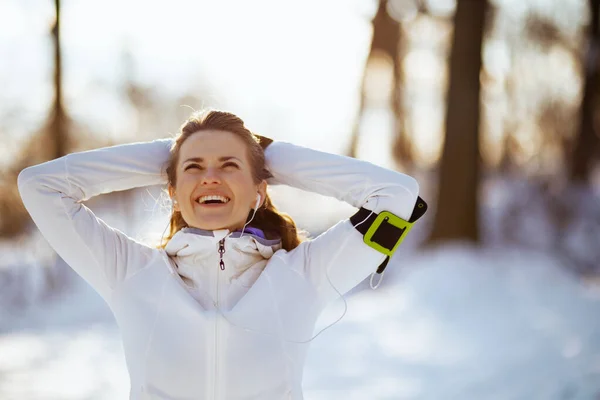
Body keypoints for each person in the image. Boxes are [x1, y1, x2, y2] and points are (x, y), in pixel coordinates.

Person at [17, 109, 421, 400]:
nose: (210, 176)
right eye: (195, 168)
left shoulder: (304, 275)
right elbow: (40, 186)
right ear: (171, 191)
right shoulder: (129, 272)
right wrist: (172, 152)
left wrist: (266, 154)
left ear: (260, 190)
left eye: (229, 166)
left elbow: (398, 196)